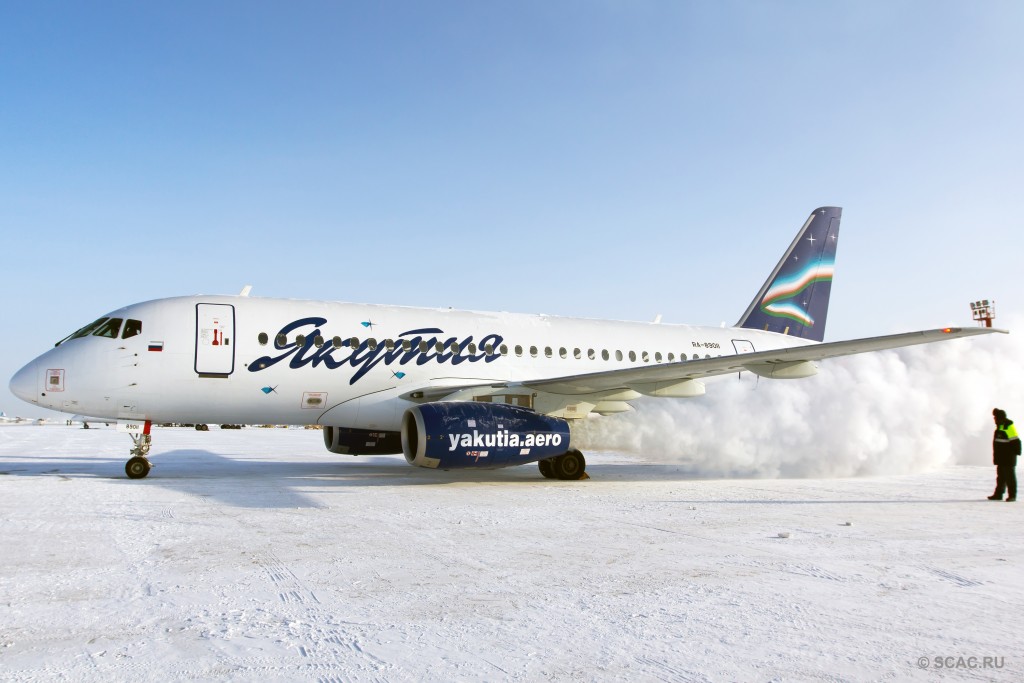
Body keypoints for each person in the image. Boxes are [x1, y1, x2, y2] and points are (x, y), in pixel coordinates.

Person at [988, 408, 1020, 502]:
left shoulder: (1008, 426)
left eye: (995, 417)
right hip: (1001, 457)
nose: (994, 419)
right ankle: (998, 495)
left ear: (1000, 418)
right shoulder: (1000, 427)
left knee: (1010, 477)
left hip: (1008, 458)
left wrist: (1013, 455)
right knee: (1001, 477)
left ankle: (1012, 496)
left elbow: (1016, 442)